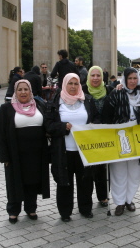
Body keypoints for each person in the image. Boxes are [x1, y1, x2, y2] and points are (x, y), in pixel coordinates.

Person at [0, 79, 54, 224]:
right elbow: (0, 133)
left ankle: (31, 208)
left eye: (26, 89)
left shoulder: (39, 105)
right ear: (15, 92)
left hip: (36, 153)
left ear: (31, 91)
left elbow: (48, 124)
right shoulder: (6, 108)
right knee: (14, 182)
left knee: (33, 181)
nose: (23, 92)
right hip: (15, 154)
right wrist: (4, 156)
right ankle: (13, 210)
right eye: (20, 90)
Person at [102, 68, 140, 216]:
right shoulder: (116, 93)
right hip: (119, 139)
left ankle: (129, 200)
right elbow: (107, 117)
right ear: (124, 79)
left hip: (138, 141)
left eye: (135, 78)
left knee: (134, 172)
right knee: (118, 171)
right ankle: (119, 202)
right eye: (129, 78)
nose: (132, 81)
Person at [46, 73, 99, 222]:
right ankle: (65, 211)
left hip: (84, 151)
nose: (73, 87)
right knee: (64, 182)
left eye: (76, 84)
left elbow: (96, 118)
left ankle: (85, 208)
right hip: (64, 151)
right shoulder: (56, 101)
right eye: (70, 83)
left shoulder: (87, 100)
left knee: (86, 181)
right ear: (64, 84)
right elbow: (48, 125)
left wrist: (91, 127)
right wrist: (63, 127)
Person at [82, 66, 114, 207]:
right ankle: (86, 198)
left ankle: (103, 196)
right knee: (87, 168)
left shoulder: (109, 90)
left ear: (102, 77)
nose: (95, 78)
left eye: (98, 75)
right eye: (92, 75)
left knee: (102, 168)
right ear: (88, 77)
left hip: (105, 134)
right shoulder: (82, 91)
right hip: (87, 135)